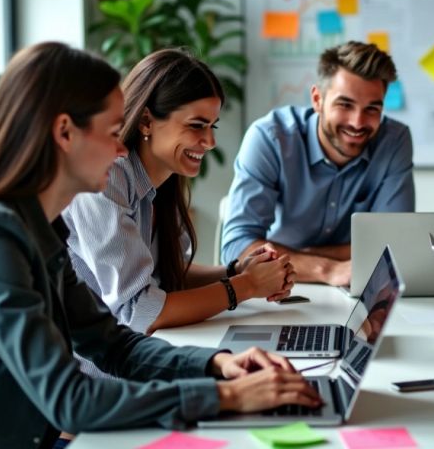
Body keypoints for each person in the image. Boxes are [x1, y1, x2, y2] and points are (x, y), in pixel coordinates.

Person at [0, 43, 320, 449]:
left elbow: (112, 343)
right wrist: (226, 396)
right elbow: (68, 399)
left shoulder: (42, 226)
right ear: (64, 133)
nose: (123, 148)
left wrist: (217, 365)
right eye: (112, 132)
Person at [63, 49, 294, 336]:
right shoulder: (107, 178)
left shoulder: (163, 181)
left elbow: (166, 275)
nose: (209, 142)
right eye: (196, 126)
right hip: (94, 371)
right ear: (146, 121)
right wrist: (248, 286)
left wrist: (236, 270)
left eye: (212, 126)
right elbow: (140, 309)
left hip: (142, 354)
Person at [221, 41, 414, 286]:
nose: (357, 122)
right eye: (345, 105)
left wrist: (295, 255)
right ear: (317, 99)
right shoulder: (270, 137)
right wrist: (328, 269)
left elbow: (394, 243)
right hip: (280, 286)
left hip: (347, 283)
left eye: (372, 109)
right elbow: (236, 247)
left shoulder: (394, 141)